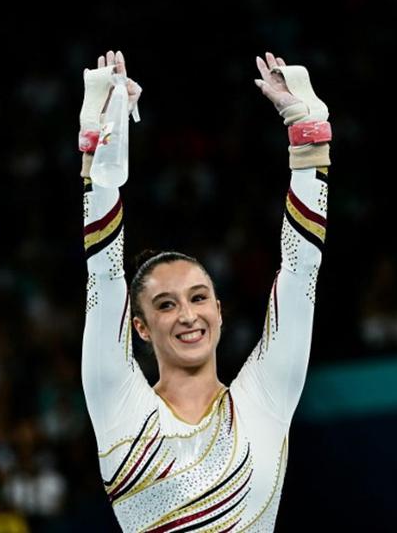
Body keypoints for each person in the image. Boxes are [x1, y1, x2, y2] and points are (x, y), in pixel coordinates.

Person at [79, 49, 331, 532]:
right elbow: (104, 278)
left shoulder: (267, 396)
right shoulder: (117, 403)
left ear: (218, 309)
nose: (187, 315)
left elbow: (301, 275)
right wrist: (98, 154)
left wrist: (309, 143)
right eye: (165, 305)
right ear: (141, 327)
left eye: (198, 298)